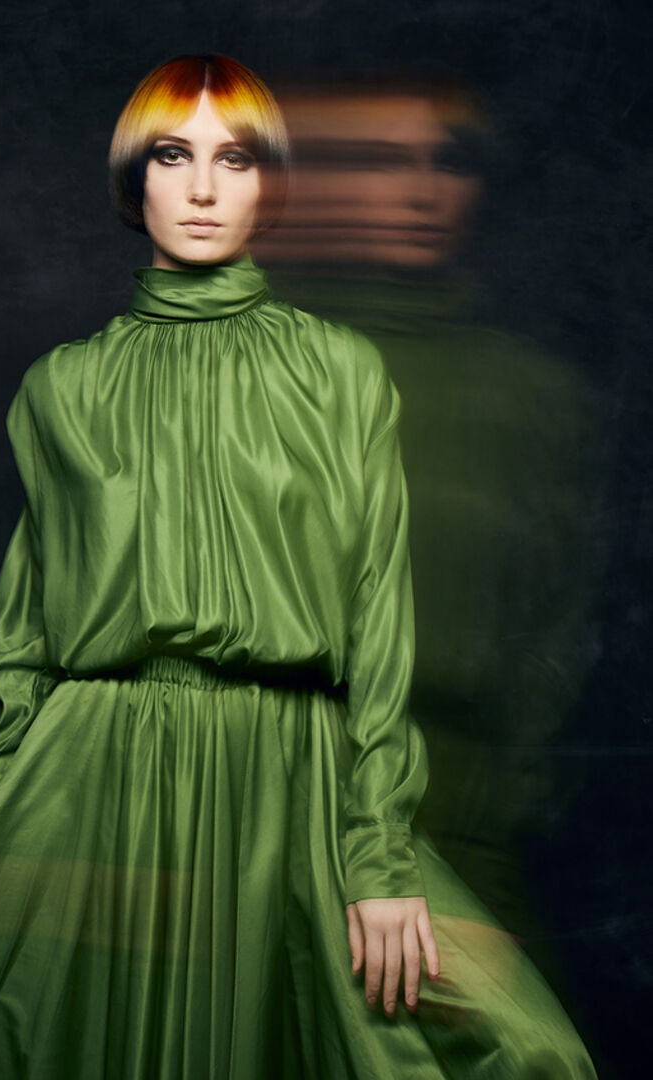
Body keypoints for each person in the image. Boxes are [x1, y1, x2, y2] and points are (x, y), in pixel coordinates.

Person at [0, 55, 596, 1078]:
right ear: (134, 181)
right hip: (91, 774)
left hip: (293, 778)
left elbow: (376, 623)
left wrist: (377, 859)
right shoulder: (61, 387)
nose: (203, 188)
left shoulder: (340, 371)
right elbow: (27, 642)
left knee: (521, 1051)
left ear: (270, 185)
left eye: (236, 158)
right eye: (173, 155)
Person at [258, 71, 608, 939]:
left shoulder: (535, 396)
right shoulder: (235, 371)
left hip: (463, 828)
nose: (420, 191)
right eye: (381, 160)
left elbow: (558, 630)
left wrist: (504, 811)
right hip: (255, 813)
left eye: (449, 161)